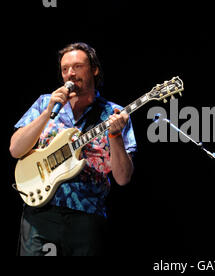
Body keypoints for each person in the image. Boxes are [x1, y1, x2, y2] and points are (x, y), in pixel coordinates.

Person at [10, 42, 136, 256]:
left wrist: (114, 135)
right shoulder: (44, 103)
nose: (70, 73)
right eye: (65, 69)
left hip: (86, 217)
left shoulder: (113, 113)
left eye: (77, 67)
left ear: (94, 69)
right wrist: (48, 111)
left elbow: (123, 178)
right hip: (40, 213)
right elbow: (15, 149)